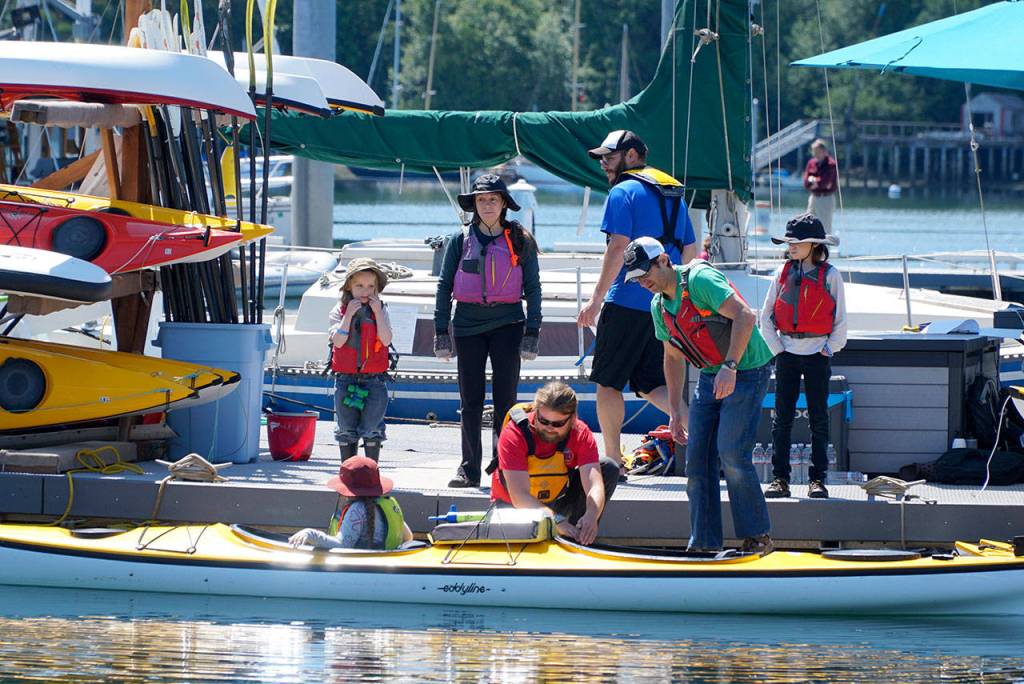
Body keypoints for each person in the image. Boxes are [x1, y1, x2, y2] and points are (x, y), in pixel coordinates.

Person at [624, 236, 774, 553]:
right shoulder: (658, 307)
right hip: (710, 374)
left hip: (747, 369)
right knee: (696, 464)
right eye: (636, 278)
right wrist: (676, 412)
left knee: (732, 453)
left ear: (663, 260)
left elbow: (745, 316)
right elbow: (673, 357)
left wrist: (730, 366)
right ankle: (703, 543)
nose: (642, 282)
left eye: (644, 273)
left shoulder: (700, 280)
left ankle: (758, 536)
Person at [576, 130, 697, 474]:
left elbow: (618, 247)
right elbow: (689, 249)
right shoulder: (673, 195)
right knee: (650, 383)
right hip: (664, 303)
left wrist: (596, 300)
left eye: (609, 157)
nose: (603, 165)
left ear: (631, 156)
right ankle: (697, 429)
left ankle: (612, 461)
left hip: (625, 301)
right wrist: (680, 297)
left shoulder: (622, 192)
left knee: (608, 383)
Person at [433, 174, 542, 488]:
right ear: (474, 205)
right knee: (471, 402)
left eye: (494, 199)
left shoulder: (520, 240)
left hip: (509, 325)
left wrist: (533, 330)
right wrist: (441, 331)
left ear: (505, 203)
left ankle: (503, 466)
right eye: (482, 200)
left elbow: (533, 288)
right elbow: (443, 287)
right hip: (467, 327)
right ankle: (468, 468)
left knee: (506, 401)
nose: (488, 205)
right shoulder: (459, 240)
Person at [760, 213, 847, 500]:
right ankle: (780, 479)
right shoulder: (781, 273)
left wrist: (828, 348)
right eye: (789, 242)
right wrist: (778, 349)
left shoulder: (831, 275)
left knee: (818, 418)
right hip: (787, 352)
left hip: (817, 353)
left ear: (814, 245)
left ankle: (817, 480)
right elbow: (766, 317)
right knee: (781, 418)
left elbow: (840, 320)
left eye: (797, 242)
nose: (791, 246)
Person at [491, 381, 619, 545]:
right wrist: (557, 521)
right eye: (543, 421)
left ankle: (578, 537)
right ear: (536, 412)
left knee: (608, 467)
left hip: (556, 500)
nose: (549, 428)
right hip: (515, 507)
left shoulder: (580, 432)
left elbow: (594, 484)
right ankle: (562, 530)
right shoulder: (514, 433)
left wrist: (592, 514)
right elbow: (519, 496)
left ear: (572, 418)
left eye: (558, 424)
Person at [328, 258, 393, 463]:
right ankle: (349, 470)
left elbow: (386, 339)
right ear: (349, 286)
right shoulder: (338, 310)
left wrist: (377, 313)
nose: (365, 291)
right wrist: (348, 316)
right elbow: (338, 342)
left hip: (374, 380)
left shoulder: (381, 309)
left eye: (371, 286)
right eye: (359, 286)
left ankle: (371, 471)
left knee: (373, 428)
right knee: (346, 427)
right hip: (346, 379)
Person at [288, 456, 413, 550]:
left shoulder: (357, 510)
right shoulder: (388, 504)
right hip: (387, 563)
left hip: (364, 568)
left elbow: (342, 545)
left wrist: (310, 534)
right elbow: (408, 537)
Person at [802, 139, 838, 234]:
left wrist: (814, 180)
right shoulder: (811, 163)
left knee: (825, 227)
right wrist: (814, 182)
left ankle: (825, 248)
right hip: (813, 197)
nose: (815, 154)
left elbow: (824, 182)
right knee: (808, 223)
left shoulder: (831, 164)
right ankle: (811, 248)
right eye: (814, 151)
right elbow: (806, 181)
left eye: (817, 151)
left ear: (824, 151)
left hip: (826, 198)